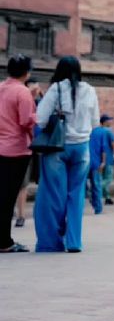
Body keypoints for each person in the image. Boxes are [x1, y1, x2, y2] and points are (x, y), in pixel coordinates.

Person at [34, 56, 100, 253]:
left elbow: (40, 119)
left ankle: (50, 243)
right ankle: (73, 242)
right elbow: (95, 122)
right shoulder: (90, 90)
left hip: (58, 148)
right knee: (76, 194)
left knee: (54, 195)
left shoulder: (57, 88)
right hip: (82, 148)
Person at [0, 55, 36, 253]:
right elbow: (26, 122)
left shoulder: (1, 87)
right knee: (8, 197)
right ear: (26, 71)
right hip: (16, 150)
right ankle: (4, 242)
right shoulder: (22, 92)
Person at [13, 77, 41, 228]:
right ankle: (17, 214)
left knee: (22, 184)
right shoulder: (21, 98)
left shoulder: (38, 102)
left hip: (28, 147)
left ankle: (21, 215)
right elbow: (25, 121)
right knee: (17, 183)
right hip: (18, 145)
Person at [88, 115, 114, 213]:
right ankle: (98, 208)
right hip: (97, 161)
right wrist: (103, 162)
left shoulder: (86, 131)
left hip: (84, 161)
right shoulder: (105, 131)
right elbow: (104, 148)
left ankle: (103, 198)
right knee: (99, 183)